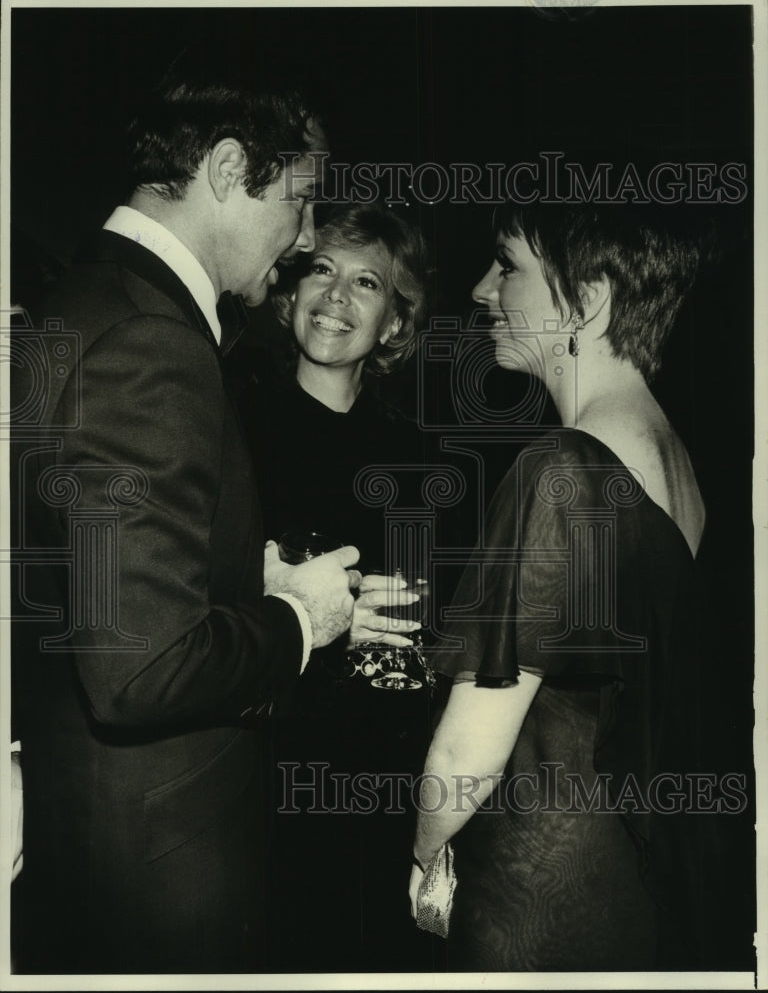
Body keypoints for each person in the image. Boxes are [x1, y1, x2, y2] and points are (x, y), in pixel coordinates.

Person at [10, 49, 360, 974]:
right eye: (301, 198)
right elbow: (143, 668)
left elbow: (89, 573)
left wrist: (241, 578)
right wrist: (299, 621)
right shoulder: (151, 344)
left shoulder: (83, 302)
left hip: (89, 843)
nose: (307, 235)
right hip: (159, 876)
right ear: (226, 168)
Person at [408, 201, 714, 971]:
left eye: (507, 265)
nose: (482, 290)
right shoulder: (678, 468)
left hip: (534, 893)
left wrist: (422, 861)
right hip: (627, 880)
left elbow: (464, 755)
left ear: (592, 298)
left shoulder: (560, 471)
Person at [237, 203, 440, 970]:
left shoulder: (411, 454)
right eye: (322, 269)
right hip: (255, 762)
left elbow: (409, 645)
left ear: (393, 323)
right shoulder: (234, 420)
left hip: (369, 776)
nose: (336, 297)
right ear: (290, 290)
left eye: (366, 283)